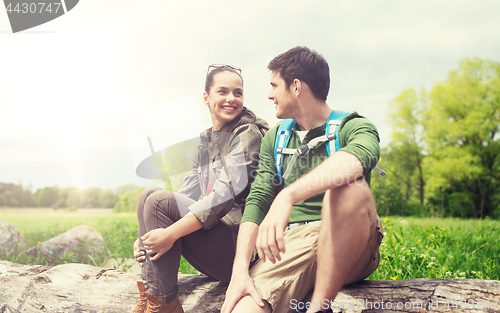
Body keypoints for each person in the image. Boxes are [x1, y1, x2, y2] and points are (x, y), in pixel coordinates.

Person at [221, 47, 384, 313]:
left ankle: (319, 308)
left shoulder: (353, 125)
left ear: (296, 87)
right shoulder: (275, 138)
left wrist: (288, 195)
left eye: (274, 85)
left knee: (348, 186)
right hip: (291, 245)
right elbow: (259, 199)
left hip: (350, 243)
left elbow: (357, 160)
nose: (269, 94)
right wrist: (240, 270)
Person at [132, 64, 269, 313]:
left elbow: (224, 196)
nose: (231, 99)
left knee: (159, 202)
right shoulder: (208, 139)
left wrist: (170, 233)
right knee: (149, 196)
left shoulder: (248, 134)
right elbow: (185, 195)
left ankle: (163, 304)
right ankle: (155, 299)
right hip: (219, 242)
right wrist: (148, 236)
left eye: (237, 93)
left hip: (244, 253)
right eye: (223, 91)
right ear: (206, 97)